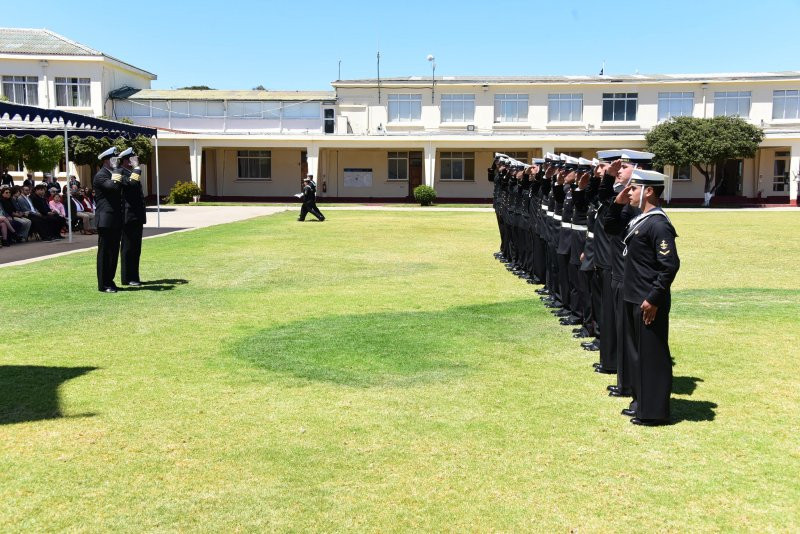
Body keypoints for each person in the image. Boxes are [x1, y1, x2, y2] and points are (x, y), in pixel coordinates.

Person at [607, 169, 680, 426]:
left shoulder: (658, 224)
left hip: (648, 300)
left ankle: (655, 411)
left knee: (653, 355)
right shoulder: (640, 218)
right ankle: (641, 402)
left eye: (634, 188)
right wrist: (617, 203)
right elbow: (610, 226)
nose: (630, 192)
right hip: (633, 296)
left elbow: (669, 265)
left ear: (649, 191)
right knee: (637, 354)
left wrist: (655, 298)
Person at [93, 146, 124, 293]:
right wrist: (117, 171)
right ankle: (103, 284)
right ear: (107, 160)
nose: (117, 161)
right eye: (114, 159)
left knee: (113, 252)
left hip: (115, 219)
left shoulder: (112, 173)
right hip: (105, 219)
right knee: (105, 253)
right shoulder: (101, 175)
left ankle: (110, 280)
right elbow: (113, 188)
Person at [118, 147, 146, 286]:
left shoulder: (130, 172)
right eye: (133, 158)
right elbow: (132, 184)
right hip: (128, 216)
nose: (136, 160)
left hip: (136, 216)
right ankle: (127, 277)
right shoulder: (120, 172)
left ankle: (134, 276)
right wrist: (137, 168)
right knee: (128, 248)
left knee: (136, 248)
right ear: (126, 161)